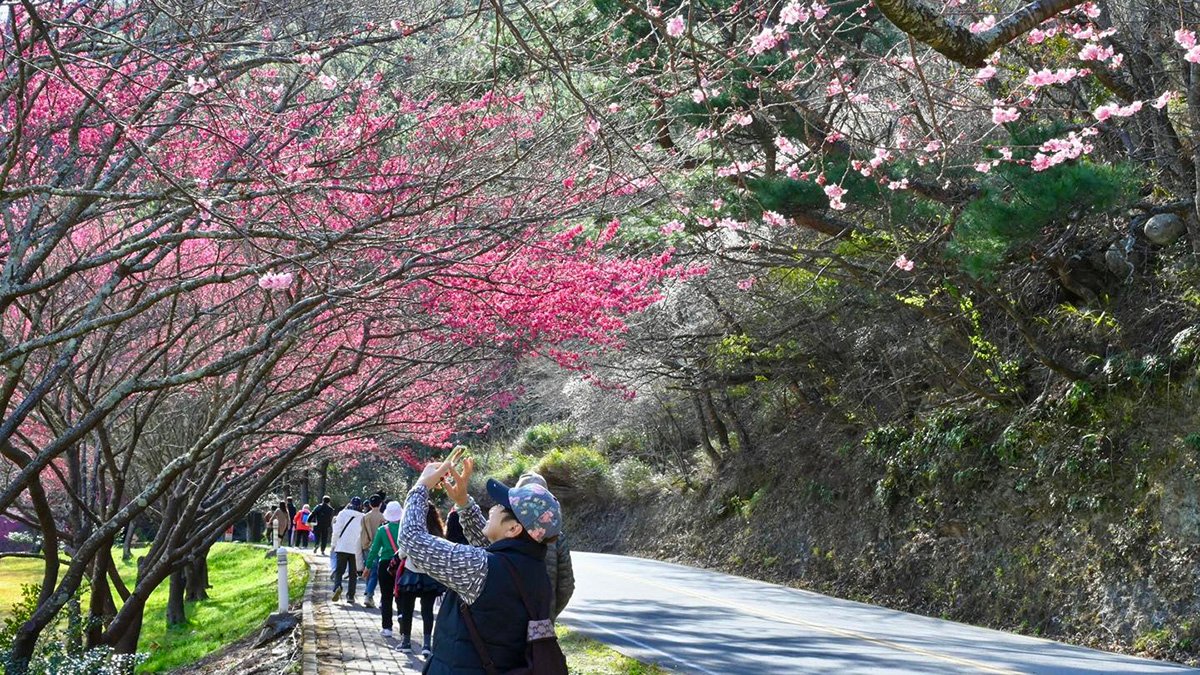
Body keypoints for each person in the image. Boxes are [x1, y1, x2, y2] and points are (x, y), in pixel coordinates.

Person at [399, 451, 563, 674]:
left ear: (514, 528)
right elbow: (491, 548)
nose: (493, 508)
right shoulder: (533, 568)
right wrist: (464, 503)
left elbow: (412, 539)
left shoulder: (481, 568)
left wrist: (421, 487)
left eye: (502, 507)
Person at [516, 472, 575, 619]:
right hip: (543, 624)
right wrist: (549, 613)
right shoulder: (556, 537)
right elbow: (566, 586)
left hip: (509, 622)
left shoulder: (507, 528)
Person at [393, 502, 448, 655]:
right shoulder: (437, 531)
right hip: (429, 576)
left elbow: (402, 553)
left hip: (411, 574)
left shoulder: (414, 530)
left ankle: (406, 642)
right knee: (427, 611)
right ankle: (426, 645)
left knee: (407, 609)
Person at [364, 500, 405, 639]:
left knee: (386, 596)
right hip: (401, 565)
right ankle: (403, 620)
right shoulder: (405, 529)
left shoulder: (383, 530)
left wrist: (368, 566)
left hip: (385, 565)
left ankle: (387, 628)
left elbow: (374, 550)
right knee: (402, 595)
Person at [330, 496, 365, 603]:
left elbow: (336, 531)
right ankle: (350, 596)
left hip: (342, 546)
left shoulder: (342, 514)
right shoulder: (363, 517)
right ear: (360, 506)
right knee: (353, 573)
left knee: (339, 570)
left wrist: (333, 544)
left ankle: (337, 587)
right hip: (355, 548)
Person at [359, 495, 386, 608]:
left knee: (368, 570)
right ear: (380, 504)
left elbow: (362, 532)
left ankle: (367, 592)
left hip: (366, 546)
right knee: (374, 572)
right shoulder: (383, 517)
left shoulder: (365, 517)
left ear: (370, 504)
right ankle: (369, 595)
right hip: (379, 547)